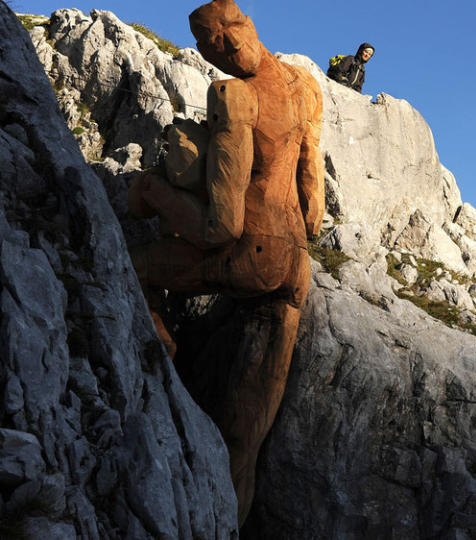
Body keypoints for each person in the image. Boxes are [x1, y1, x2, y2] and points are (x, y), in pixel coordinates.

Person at [126, 0, 324, 524]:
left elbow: (222, 227)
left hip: (250, 254)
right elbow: (315, 198)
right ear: (203, 52)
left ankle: (163, 344)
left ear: (248, 24)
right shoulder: (305, 84)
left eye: (232, 29)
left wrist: (158, 195)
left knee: (134, 267)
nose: (231, 44)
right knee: (246, 438)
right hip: (296, 265)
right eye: (216, 41)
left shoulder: (233, 96)